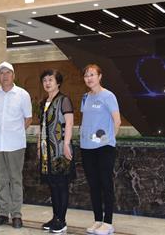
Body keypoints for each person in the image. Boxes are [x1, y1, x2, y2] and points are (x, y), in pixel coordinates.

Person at [0, 62, 32, 229]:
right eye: (2, 73)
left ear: (13, 75)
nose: (5, 76)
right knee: (2, 180)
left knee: (15, 179)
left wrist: (15, 131)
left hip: (16, 144)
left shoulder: (22, 94)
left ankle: (16, 215)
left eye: (8, 73)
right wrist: (0, 130)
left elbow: (28, 118)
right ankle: (3, 213)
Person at [80, 64, 121, 235]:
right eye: (86, 75)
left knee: (106, 183)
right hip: (86, 147)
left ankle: (108, 223)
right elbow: (85, 120)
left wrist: (108, 140)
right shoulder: (85, 97)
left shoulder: (108, 96)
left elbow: (117, 121)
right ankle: (98, 220)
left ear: (100, 76)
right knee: (94, 185)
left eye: (92, 74)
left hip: (104, 147)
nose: (89, 78)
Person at [38, 69, 74, 233]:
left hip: (60, 149)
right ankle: (55, 217)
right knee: (52, 185)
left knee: (61, 184)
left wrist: (66, 144)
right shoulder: (44, 102)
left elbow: (69, 122)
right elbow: (42, 126)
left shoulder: (64, 100)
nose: (47, 83)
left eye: (50, 80)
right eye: (45, 80)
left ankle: (62, 220)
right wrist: (39, 146)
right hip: (47, 151)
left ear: (58, 82)